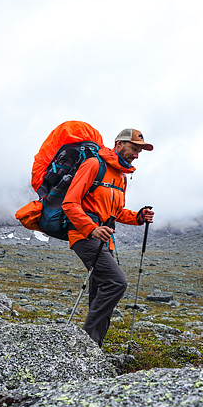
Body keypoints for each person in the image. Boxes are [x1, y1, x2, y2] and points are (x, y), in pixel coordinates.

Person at [62, 128, 155, 346]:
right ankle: (87, 342)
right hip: (84, 235)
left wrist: (138, 217)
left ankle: (94, 347)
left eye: (139, 151)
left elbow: (116, 212)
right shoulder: (94, 165)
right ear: (119, 144)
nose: (136, 155)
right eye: (134, 148)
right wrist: (91, 229)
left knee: (100, 291)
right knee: (116, 282)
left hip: (104, 239)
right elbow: (70, 203)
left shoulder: (121, 176)